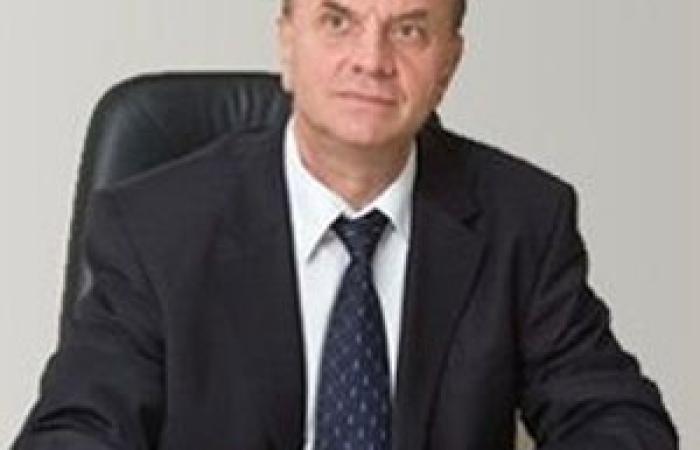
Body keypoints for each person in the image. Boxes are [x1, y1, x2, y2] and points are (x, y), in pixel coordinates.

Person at [13, 0, 678, 448]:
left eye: (409, 30)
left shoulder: (523, 221)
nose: (372, 59)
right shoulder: (154, 226)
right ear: (287, 41)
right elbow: (76, 430)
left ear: (449, 63)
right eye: (338, 20)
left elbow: (618, 420)